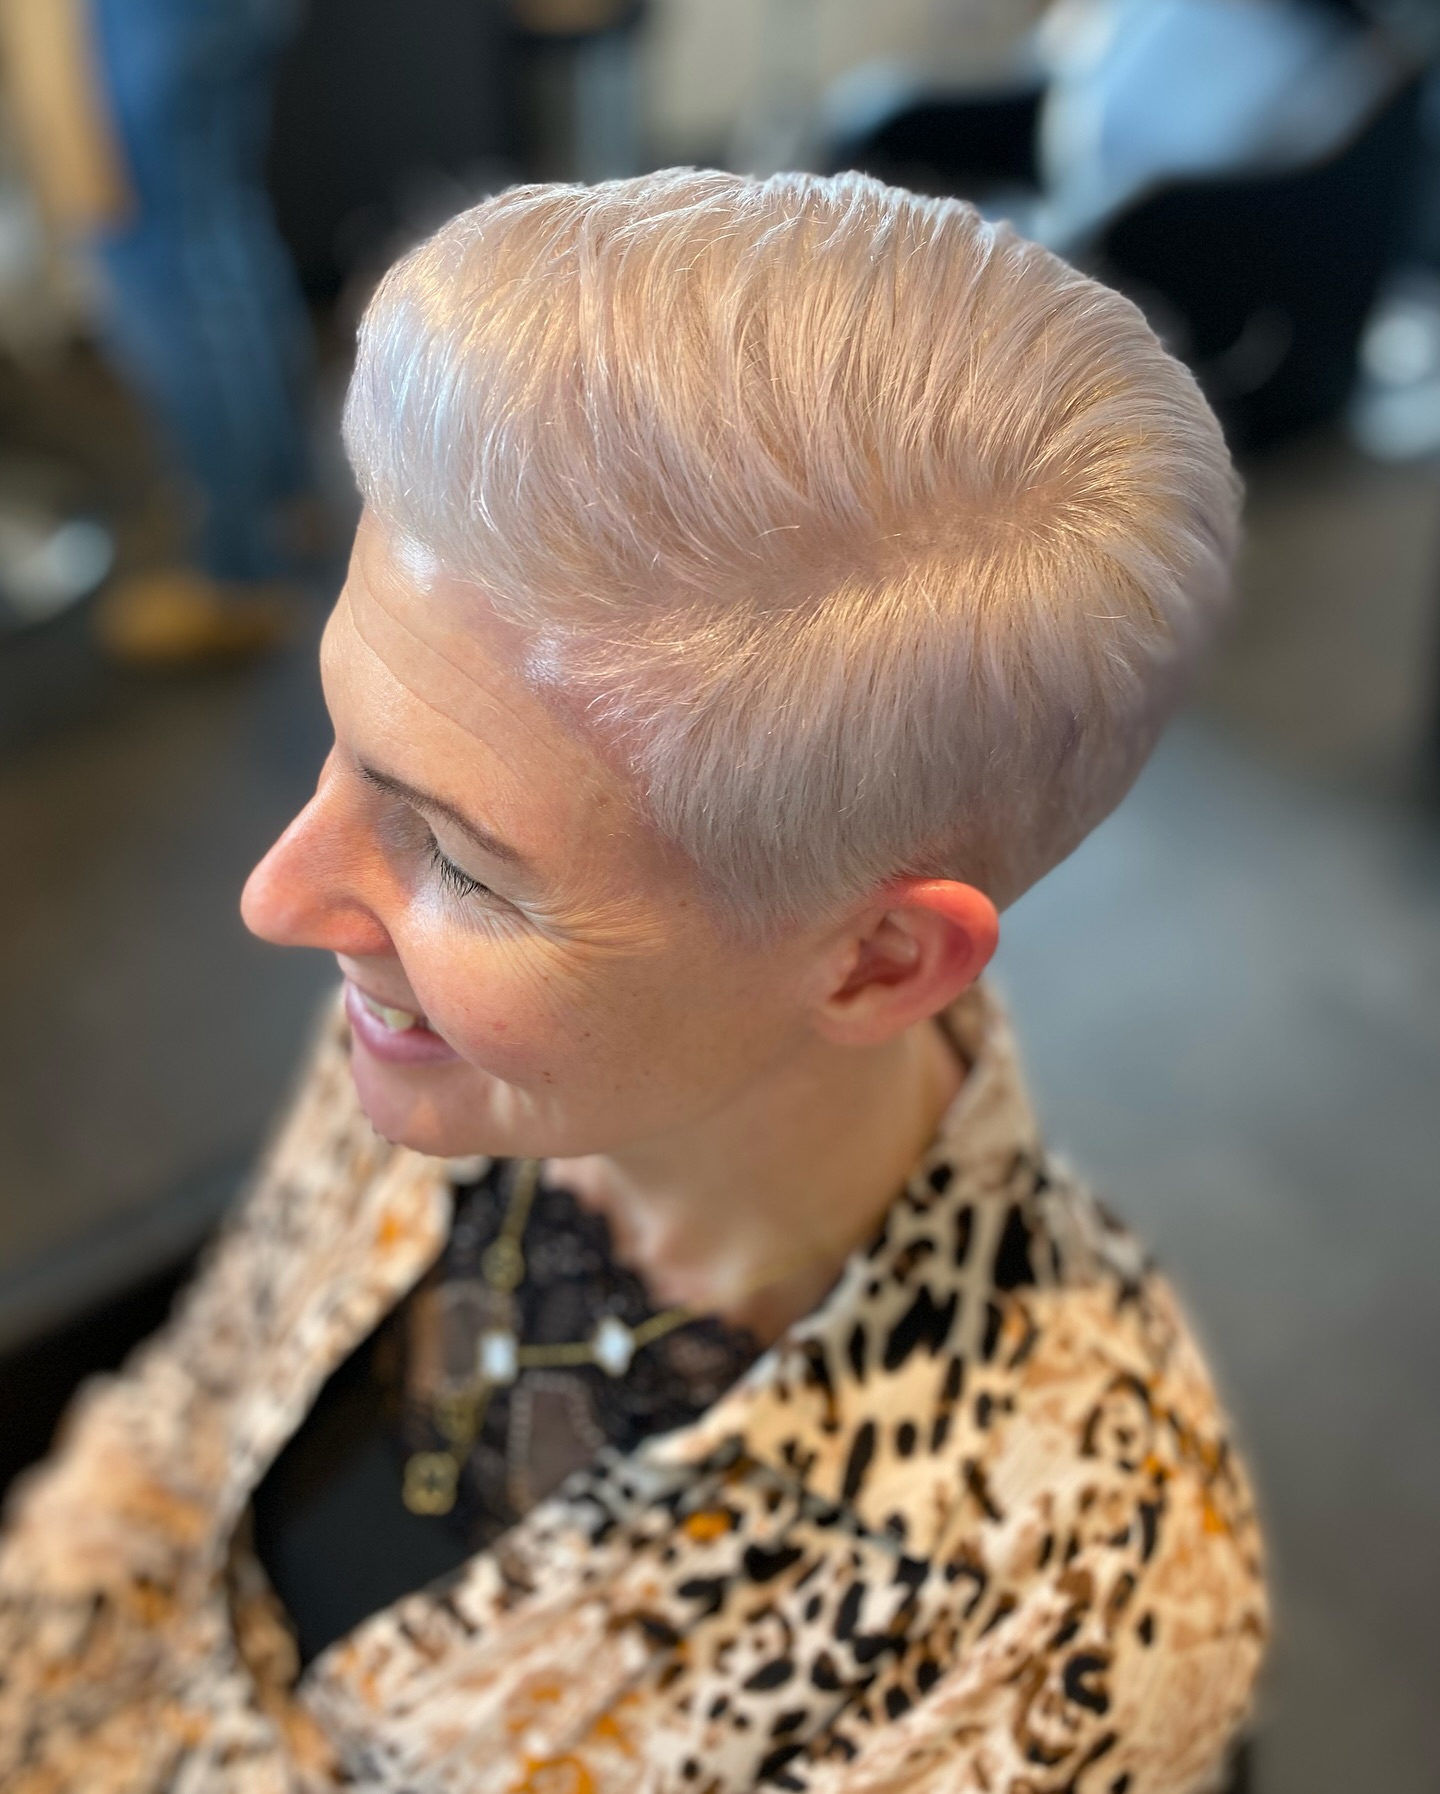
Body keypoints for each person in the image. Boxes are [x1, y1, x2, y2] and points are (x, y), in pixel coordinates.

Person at [0, 170, 1266, 1791]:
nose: (281, 894)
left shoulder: (1052, 1620)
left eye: (462, 860)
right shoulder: (446, 1036)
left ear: (879, 958)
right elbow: (173, 1444)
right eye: (342, 742)